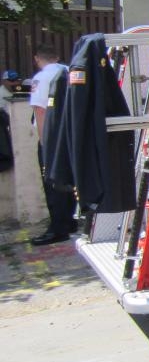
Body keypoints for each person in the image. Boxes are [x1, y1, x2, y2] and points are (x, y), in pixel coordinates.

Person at [28, 44, 77, 246]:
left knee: (52, 183)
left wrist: (43, 141)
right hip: (70, 136)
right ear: (57, 56)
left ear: (37, 59)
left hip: (52, 137)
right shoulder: (69, 71)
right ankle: (69, 221)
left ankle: (58, 228)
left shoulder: (41, 78)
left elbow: (40, 111)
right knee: (69, 181)